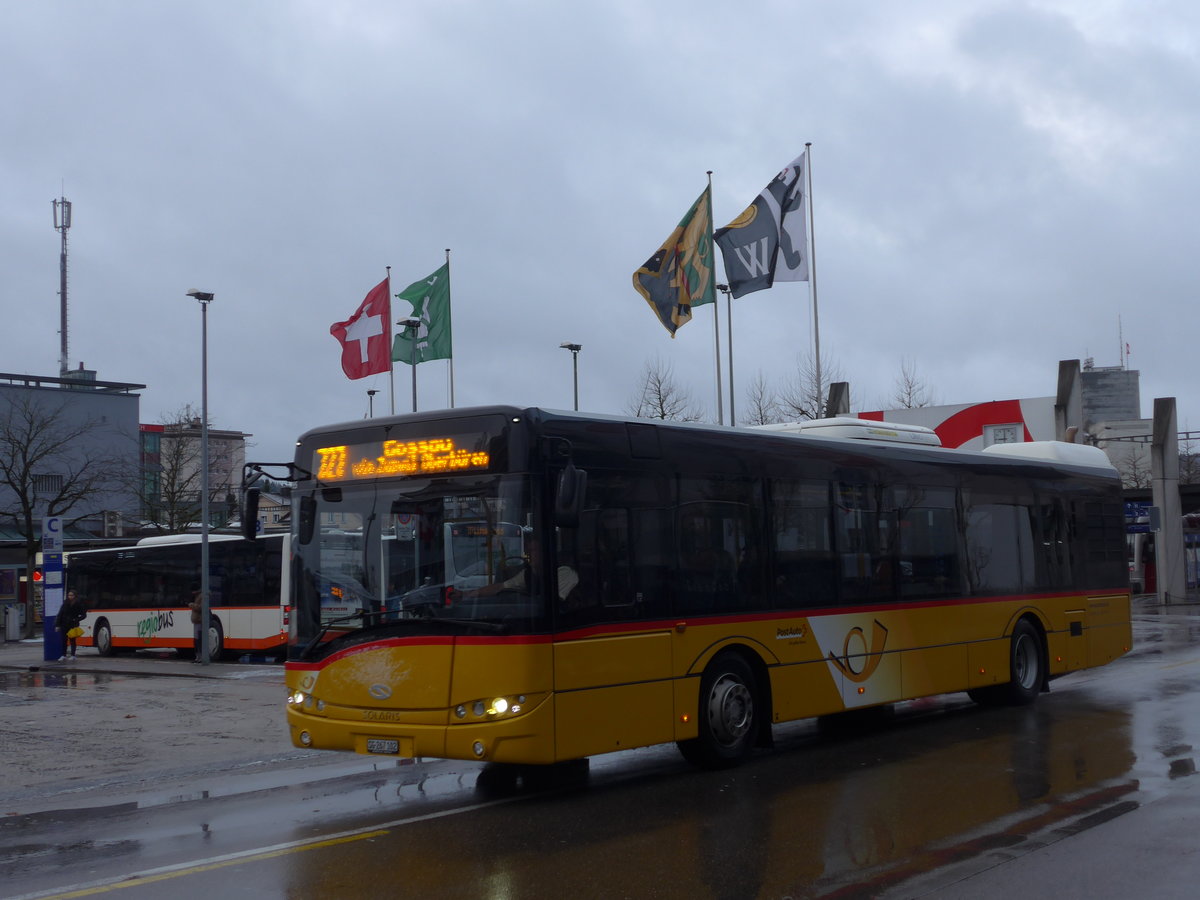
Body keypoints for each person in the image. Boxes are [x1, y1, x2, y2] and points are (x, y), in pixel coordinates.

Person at [57, 589, 87, 660]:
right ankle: (63, 655)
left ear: (75, 596)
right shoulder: (65, 603)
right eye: (69, 595)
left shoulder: (78, 604)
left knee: (72, 640)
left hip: (72, 624)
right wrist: (57, 624)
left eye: (71, 595)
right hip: (64, 624)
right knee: (64, 640)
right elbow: (60, 614)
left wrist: (76, 619)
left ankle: (73, 655)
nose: (70, 596)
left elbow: (84, 615)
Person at [188, 588, 205, 663]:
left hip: (199, 620)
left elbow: (201, 608)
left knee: (198, 639)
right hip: (196, 621)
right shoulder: (197, 596)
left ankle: (200, 657)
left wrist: (192, 605)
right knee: (196, 639)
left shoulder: (201, 596)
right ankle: (198, 657)